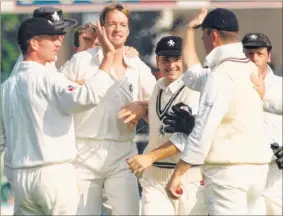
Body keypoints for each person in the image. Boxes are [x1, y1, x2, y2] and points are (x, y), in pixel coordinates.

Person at [1, 16, 117, 215]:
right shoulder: (50, 78)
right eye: (51, 38)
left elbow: (3, 138)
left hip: (21, 179)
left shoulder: (6, 87)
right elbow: (86, 96)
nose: (58, 42)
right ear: (34, 43)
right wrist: (108, 57)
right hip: (53, 176)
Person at [165, 8, 273, 215]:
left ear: (212, 35)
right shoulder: (249, 69)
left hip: (228, 173)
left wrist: (177, 174)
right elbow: (193, 76)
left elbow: (204, 129)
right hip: (258, 171)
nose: (203, 42)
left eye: (202, 35)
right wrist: (189, 31)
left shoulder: (221, 75)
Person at [60, 4, 156, 215]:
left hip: (122, 155)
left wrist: (142, 107)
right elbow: (58, 96)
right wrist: (76, 86)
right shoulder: (81, 60)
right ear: (101, 27)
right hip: (82, 155)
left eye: (122, 25)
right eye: (111, 24)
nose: (117, 29)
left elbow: (158, 106)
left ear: (128, 30)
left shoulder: (137, 65)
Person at [120, 36, 206, 215]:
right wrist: (141, 108)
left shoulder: (194, 90)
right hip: (154, 179)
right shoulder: (158, 86)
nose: (171, 65)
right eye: (166, 60)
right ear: (158, 61)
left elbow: (185, 137)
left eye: (176, 59)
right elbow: (161, 120)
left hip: (188, 179)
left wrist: (150, 157)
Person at [242, 32, 282, 215]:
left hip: (278, 176)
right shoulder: (230, 87)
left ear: (269, 55)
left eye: (259, 53)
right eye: (249, 54)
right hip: (246, 173)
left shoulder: (281, 86)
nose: (254, 59)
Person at [10, 7, 77, 76]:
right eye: (53, 34)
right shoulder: (32, 64)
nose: (60, 38)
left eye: (61, 31)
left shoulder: (46, 57)